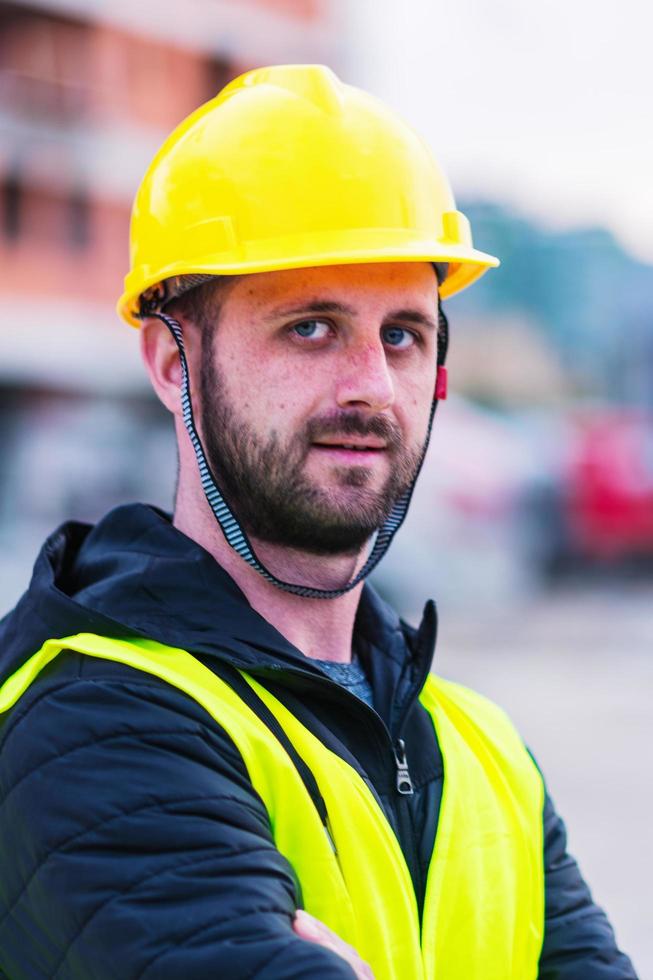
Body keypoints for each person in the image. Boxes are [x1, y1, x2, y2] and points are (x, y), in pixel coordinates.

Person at [0, 64, 636, 980]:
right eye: (309, 327)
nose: (371, 387)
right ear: (174, 364)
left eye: (402, 335)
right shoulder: (92, 724)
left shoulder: (483, 753)